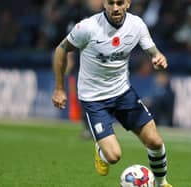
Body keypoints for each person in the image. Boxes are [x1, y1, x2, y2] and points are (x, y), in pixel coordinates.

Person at [51, 1, 172, 187]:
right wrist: (60, 88)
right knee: (114, 156)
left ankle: (162, 183)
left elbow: (153, 51)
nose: (115, 8)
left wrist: (157, 57)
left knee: (155, 141)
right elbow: (61, 50)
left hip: (123, 93)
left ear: (128, 3)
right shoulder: (87, 27)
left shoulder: (137, 25)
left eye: (120, 2)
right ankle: (101, 152)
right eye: (110, 2)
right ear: (104, 3)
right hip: (94, 99)